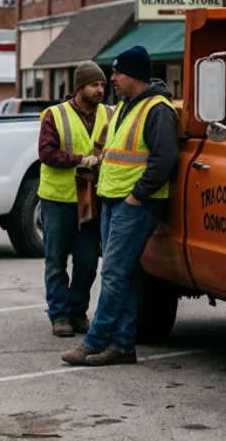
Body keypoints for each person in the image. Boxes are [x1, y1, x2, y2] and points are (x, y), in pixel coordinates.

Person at [64, 45, 180, 367]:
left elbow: (164, 159)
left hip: (135, 204)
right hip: (113, 199)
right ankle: (122, 346)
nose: (111, 79)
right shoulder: (127, 106)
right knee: (125, 275)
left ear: (134, 76)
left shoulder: (157, 109)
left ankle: (95, 341)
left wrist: (137, 195)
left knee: (114, 273)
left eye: (117, 73)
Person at [37, 61, 109, 339]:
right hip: (58, 198)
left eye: (102, 84)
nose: (100, 89)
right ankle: (59, 315)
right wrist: (81, 160)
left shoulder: (110, 114)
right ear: (80, 88)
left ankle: (78, 311)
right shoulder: (55, 115)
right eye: (94, 85)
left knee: (87, 259)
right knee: (56, 259)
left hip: (92, 197)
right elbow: (46, 152)